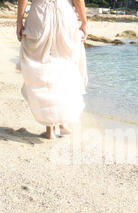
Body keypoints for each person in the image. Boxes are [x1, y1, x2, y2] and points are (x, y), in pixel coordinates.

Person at [17, 0, 88, 139]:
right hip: (64, 15)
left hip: (40, 14)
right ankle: (62, 124)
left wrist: (19, 21)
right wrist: (84, 21)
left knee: (42, 68)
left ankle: (51, 129)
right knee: (66, 67)